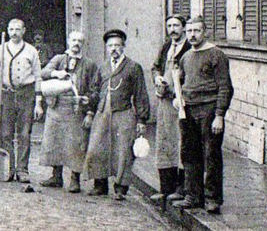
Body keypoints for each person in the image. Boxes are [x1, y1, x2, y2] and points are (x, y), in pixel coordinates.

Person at [173, 18, 233, 215]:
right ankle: (193, 195)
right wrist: (177, 98)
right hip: (189, 110)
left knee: (211, 154)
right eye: (189, 31)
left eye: (196, 31)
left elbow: (225, 87)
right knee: (189, 153)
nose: (192, 35)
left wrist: (219, 115)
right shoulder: (186, 57)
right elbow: (181, 83)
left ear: (204, 31)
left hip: (208, 110)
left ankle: (212, 198)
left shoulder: (217, 55)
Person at [84, 29, 150, 200]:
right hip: (102, 112)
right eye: (110, 45)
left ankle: (121, 188)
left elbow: (141, 93)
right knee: (97, 149)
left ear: (123, 47)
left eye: (117, 45)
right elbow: (95, 90)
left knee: (123, 151)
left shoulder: (133, 67)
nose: (114, 49)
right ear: (106, 48)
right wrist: (89, 107)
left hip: (124, 112)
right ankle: (100, 185)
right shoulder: (103, 67)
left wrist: (141, 119)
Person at [39, 30, 101, 193]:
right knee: (54, 141)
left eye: (79, 41)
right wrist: (56, 73)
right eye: (73, 40)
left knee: (76, 145)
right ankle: (56, 176)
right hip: (56, 108)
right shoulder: (58, 59)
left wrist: (88, 108)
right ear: (68, 41)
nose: (76, 44)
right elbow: (43, 72)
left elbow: (95, 89)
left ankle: (75, 179)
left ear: (83, 44)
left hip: (76, 110)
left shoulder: (89, 64)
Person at [0, 18, 44, 183]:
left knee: (24, 134)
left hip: (26, 94)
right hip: (6, 94)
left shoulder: (31, 51)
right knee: (5, 134)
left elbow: (38, 77)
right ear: (7, 30)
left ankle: (22, 170)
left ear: (24, 31)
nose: (14, 33)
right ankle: (8, 169)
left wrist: (38, 102)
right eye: (11, 29)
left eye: (17, 29)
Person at [150, 14, 191, 203]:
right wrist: (157, 78)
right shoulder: (166, 46)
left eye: (176, 25)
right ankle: (165, 189)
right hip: (164, 103)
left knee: (181, 143)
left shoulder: (189, 48)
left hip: (181, 104)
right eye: (169, 26)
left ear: (183, 28)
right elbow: (155, 67)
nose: (172, 29)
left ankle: (181, 189)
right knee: (164, 142)